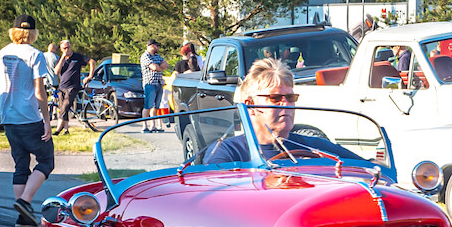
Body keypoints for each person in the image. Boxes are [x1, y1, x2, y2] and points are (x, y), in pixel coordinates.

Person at [203, 58, 361, 166]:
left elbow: (369, 168)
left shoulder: (314, 146)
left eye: (291, 97)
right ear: (249, 105)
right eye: (275, 97)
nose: (286, 103)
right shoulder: (228, 153)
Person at [0, 14, 53, 227]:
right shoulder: (36, 55)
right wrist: (46, 120)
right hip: (29, 117)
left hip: (8, 117)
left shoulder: (3, 53)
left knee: (21, 163)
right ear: (34, 33)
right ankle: (24, 201)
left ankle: (23, 217)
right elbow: (40, 91)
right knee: (46, 160)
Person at [52, 39, 95, 135]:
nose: (67, 49)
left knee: (65, 107)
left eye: (68, 47)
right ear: (61, 49)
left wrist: (90, 76)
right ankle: (66, 130)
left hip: (73, 86)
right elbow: (56, 71)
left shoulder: (77, 57)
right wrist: (63, 57)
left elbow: (92, 61)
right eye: (65, 48)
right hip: (62, 86)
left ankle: (58, 130)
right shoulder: (61, 59)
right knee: (63, 108)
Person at [140, 39, 168, 133]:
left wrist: (158, 67)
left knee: (155, 106)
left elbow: (165, 64)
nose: (158, 48)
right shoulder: (145, 56)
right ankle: (144, 126)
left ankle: (153, 126)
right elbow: (154, 67)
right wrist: (159, 67)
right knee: (148, 105)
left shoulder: (157, 56)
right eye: (157, 46)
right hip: (150, 84)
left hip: (159, 83)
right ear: (151, 46)